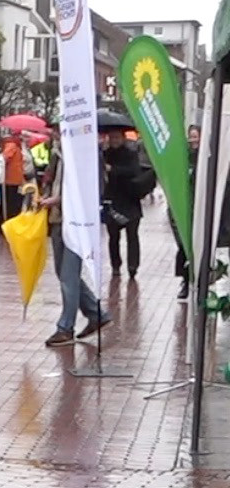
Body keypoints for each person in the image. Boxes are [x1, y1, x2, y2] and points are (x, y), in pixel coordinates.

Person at [39, 140, 110, 347]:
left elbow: (88, 190)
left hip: (76, 222)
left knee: (68, 276)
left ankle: (65, 328)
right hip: (57, 220)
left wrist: (57, 200)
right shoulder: (57, 155)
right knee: (63, 273)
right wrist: (47, 197)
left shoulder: (86, 156)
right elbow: (52, 182)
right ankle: (96, 314)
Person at [103, 134, 154, 278]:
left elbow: (133, 171)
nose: (114, 141)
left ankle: (133, 266)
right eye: (112, 138)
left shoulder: (131, 154)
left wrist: (112, 169)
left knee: (132, 235)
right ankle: (115, 265)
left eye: (117, 138)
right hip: (112, 200)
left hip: (130, 200)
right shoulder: (104, 154)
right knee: (113, 237)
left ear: (123, 138)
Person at [177, 124, 200, 298]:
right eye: (191, 136)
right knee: (184, 247)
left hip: (201, 208)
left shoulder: (207, 157)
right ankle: (185, 280)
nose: (193, 139)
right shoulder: (185, 157)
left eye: (196, 135)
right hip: (186, 209)